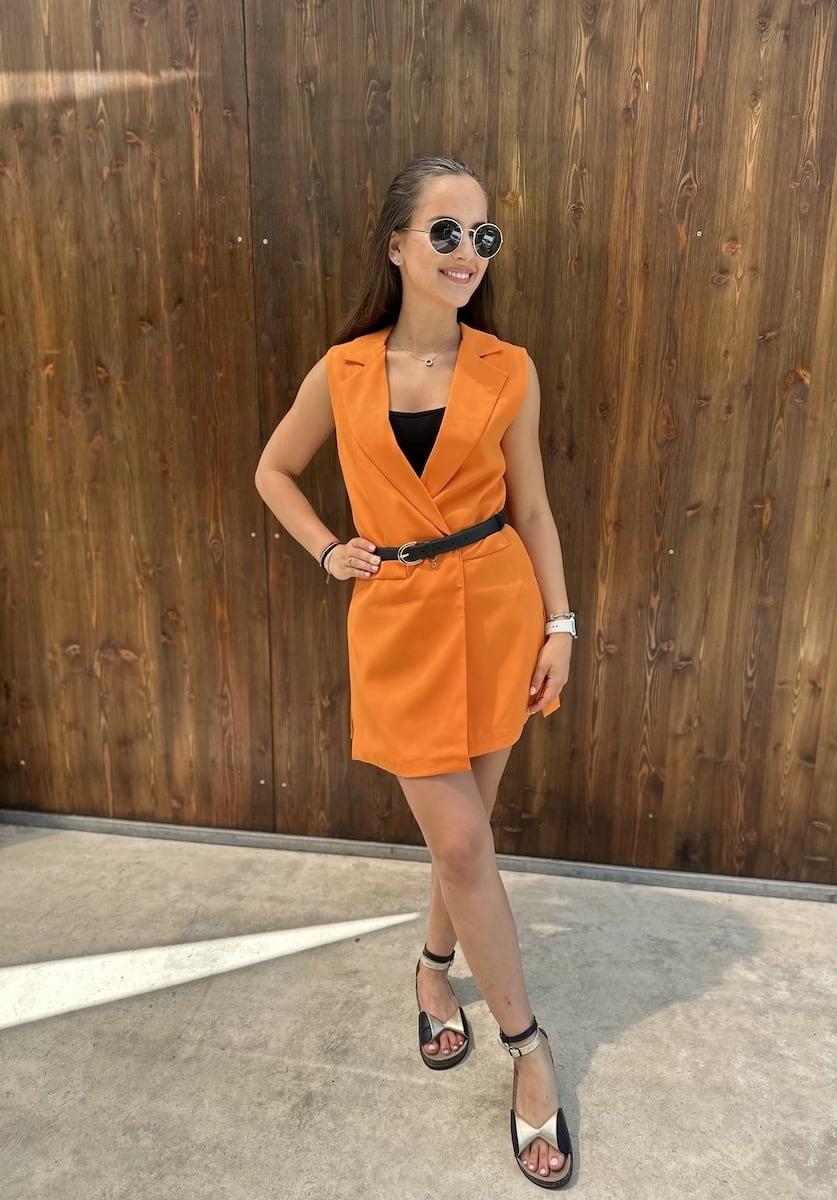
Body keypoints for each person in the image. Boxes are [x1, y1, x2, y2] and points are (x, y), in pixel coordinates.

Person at [255, 154, 577, 1188]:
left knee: (464, 840)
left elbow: (533, 507)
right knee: (466, 842)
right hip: (397, 623)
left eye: (482, 235)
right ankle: (530, 1049)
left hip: (497, 611)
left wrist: (561, 624)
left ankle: (435, 973)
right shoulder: (343, 370)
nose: (466, 252)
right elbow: (273, 470)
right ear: (397, 244)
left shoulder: (509, 367)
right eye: (445, 231)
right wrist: (326, 549)